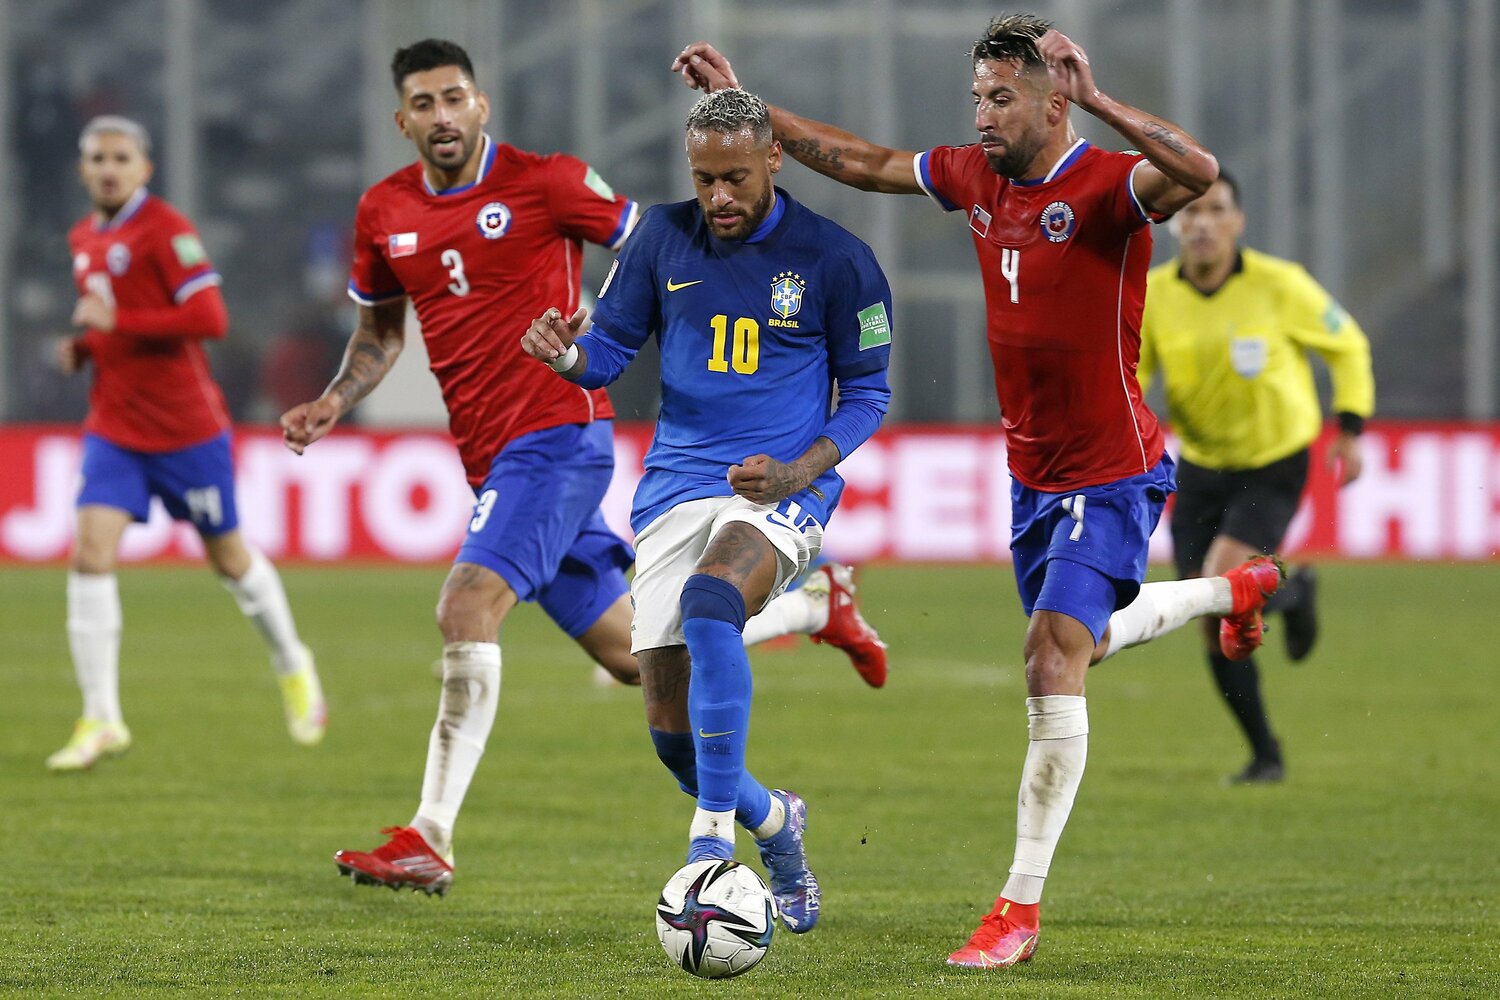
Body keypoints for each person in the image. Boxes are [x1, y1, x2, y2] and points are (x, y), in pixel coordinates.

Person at [672, 15, 1285, 968]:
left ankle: (1017, 910)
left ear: (1052, 99)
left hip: (1111, 471)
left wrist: (1102, 99)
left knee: (1049, 661)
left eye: (1002, 98)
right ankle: (1227, 593)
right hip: (1032, 477)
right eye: (978, 99)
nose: (984, 116)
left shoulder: (1107, 187)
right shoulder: (976, 177)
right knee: (1079, 641)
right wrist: (750, 108)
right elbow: (866, 162)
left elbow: (1199, 170)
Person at [280, 40, 886, 899]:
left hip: (555, 434)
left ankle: (431, 835)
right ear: (402, 119)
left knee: (465, 606)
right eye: (424, 103)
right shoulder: (383, 210)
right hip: (490, 454)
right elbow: (381, 332)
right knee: (639, 659)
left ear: (482, 104)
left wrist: (599, 340)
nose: (442, 115)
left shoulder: (550, 180)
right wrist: (333, 403)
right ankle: (816, 608)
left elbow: (654, 247)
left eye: (456, 97)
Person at [523, 86, 892, 934]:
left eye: (733, 178)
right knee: (669, 734)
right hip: (673, 488)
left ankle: (711, 841)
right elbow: (611, 349)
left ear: (774, 159)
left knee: (714, 598)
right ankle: (774, 821)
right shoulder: (660, 235)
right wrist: (571, 354)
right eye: (703, 179)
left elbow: (868, 393)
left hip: (775, 490)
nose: (718, 198)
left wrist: (802, 469)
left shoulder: (836, 259)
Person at [49, 115, 325, 771]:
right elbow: (110, 320)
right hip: (115, 428)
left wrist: (119, 321)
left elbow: (209, 318)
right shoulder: (83, 235)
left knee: (229, 560)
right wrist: (86, 346)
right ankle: (101, 718)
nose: (109, 168)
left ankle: (292, 660)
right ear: (84, 170)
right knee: (90, 555)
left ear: (144, 168)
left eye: (122, 157)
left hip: (184, 432)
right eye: (98, 158)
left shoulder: (167, 231)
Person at [1140, 171, 1374, 784]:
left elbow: (1347, 345)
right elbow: (1129, 377)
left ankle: (1285, 598)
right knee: (1207, 611)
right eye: (1191, 212)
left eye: (1217, 209)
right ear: (1174, 223)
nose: (1203, 223)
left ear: (1238, 222)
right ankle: (1265, 753)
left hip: (1274, 460)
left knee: (1221, 582)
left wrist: (1349, 428)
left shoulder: (1281, 286)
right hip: (1201, 466)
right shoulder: (1154, 294)